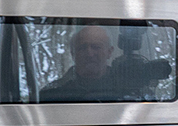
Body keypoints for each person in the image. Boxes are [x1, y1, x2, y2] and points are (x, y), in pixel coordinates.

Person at [39, 24, 170, 101]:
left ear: (109, 52)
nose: (90, 54)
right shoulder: (52, 94)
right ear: (73, 53)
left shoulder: (134, 90)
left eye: (96, 47)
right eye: (82, 48)